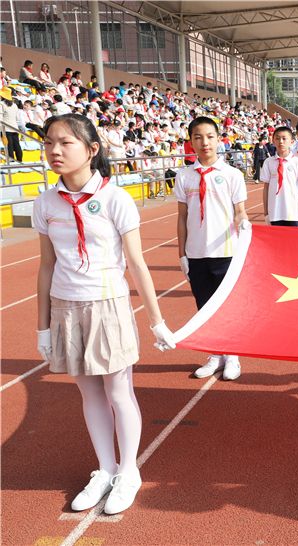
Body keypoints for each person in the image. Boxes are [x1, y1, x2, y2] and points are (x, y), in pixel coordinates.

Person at [34, 114, 176, 515]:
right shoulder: (45, 202)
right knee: (89, 392)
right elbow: (46, 266)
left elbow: (137, 263)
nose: (55, 151)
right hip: (65, 306)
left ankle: (128, 471)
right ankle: (106, 468)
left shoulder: (116, 199)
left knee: (118, 391)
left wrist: (157, 321)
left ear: (91, 149)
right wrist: (42, 327)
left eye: (65, 143)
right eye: (49, 143)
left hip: (107, 304)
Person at [175, 116, 249, 381]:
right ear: (191, 142)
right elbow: (182, 216)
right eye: (198, 137)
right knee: (204, 307)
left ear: (219, 140)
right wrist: (182, 254)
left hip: (226, 252)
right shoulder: (184, 176)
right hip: (196, 254)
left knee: (227, 307)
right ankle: (215, 354)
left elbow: (240, 212)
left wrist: (244, 226)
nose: (204, 142)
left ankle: (233, 355)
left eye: (209, 136)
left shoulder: (232, 175)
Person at [260, 126, 298, 227]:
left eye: (284, 138)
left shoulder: (297, 162)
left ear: (292, 141)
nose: (281, 141)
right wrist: (266, 212)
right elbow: (266, 188)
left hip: (293, 213)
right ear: (273, 141)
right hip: (274, 213)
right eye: (277, 138)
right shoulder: (268, 162)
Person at [1, 89, 22, 162]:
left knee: (9, 146)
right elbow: (17, 118)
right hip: (14, 128)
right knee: (17, 145)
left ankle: (11, 162)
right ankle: (20, 161)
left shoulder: (1, 104)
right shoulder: (14, 104)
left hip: (5, 128)